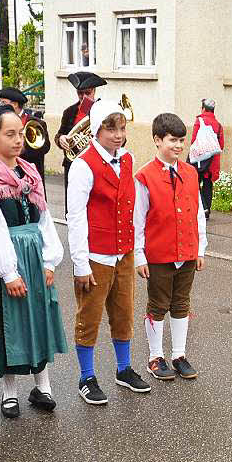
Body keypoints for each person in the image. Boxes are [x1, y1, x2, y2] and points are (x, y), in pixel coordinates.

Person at [0, 104, 67, 418]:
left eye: (20, 133)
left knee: (39, 315)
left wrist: (50, 261)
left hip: (35, 253)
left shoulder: (30, 170)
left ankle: (43, 385)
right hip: (8, 256)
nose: (18, 140)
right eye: (9, 134)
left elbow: (44, 219)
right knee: (9, 321)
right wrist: (8, 272)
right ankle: (9, 392)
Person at [66, 98, 150, 404]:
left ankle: (123, 369)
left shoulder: (126, 160)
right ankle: (86, 376)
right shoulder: (83, 165)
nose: (117, 134)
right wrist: (80, 264)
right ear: (96, 130)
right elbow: (75, 217)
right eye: (110, 128)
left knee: (124, 312)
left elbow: (132, 209)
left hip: (123, 252)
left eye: (122, 128)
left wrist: (137, 251)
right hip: (96, 255)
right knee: (89, 317)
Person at [134, 113, 207, 382]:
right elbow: (138, 220)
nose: (178, 146)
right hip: (159, 253)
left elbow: (198, 213)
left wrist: (200, 248)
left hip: (187, 252)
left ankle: (178, 354)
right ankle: (156, 356)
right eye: (172, 140)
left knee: (181, 304)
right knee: (158, 305)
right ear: (157, 140)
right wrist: (139, 255)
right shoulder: (144, 176)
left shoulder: (190, 172)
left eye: (181, 141)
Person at [55, 71, 105, 206]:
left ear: (94, 91)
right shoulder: (69, 111)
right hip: (72, 165)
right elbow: (59, 134)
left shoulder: (103, 110)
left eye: (87, 93)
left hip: (96, 165)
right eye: (80, 93)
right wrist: (61, 139)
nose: (83, 97)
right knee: (73, 204)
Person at [0, 87, 50, 182]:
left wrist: (23, 149)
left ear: (14, 104)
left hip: (30, 175)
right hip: (6, 173)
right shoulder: (0, 121)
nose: (0, 105)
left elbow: (45, 147)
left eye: (3, 102)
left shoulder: (35, 122)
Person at [190, 98, 223, 220]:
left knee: (194, 182)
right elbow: (221, 145)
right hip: (212, 161)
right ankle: (207, 209)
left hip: (199, 158)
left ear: (203, 108)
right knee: (208, 184)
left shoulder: (199, 121)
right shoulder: (219, 125)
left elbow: (194, 140)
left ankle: (202, 207)